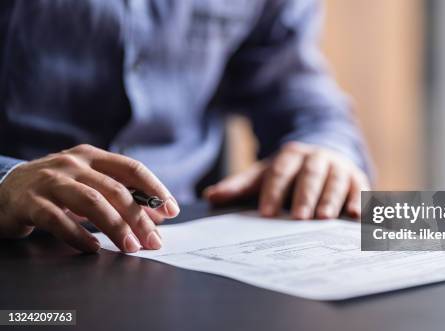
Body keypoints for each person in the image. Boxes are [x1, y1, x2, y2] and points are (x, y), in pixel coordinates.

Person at [0, 1, 371, 253]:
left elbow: (297, 89)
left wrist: (326, 147)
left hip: (184, 243)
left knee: (420, 237)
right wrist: (7, 180)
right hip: (20, 243)